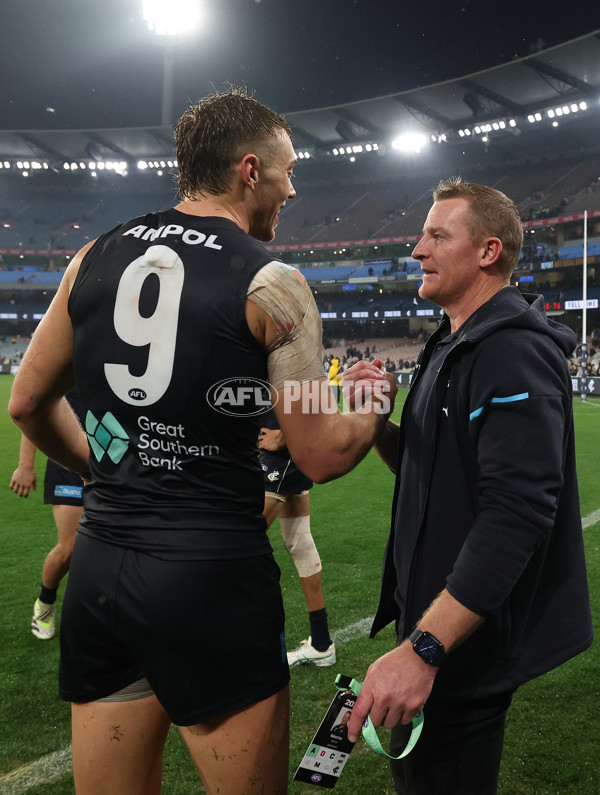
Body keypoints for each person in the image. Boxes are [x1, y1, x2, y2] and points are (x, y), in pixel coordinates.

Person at [9, 87, 395, 795]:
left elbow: (28, 400)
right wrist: (371, 399)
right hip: (209, 574)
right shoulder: (274, 281)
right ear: (249, 170)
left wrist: (105, 467)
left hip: (102, 569)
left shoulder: (93, 255)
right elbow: (318, 451)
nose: (293, 186)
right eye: (287, 169)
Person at [342, 178, 593, 795]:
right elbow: (436, 471)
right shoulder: (453, 343)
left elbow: (516, 514)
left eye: (436, 235)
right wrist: (378, 424)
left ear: (486, 252)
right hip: (438, 624)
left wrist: (424, 648)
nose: (418, 250)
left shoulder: (510, 353)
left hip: (459, 640)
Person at [258, 409, 335, 668]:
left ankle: (236, 639)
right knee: (300, 544)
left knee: (241, 541)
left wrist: (286, 437)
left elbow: (316, 399)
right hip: (281, 454)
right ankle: (321, 644)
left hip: (281, 458)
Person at [10, 389, 84, 640]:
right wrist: (25, 465)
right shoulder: (71, 357)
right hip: (69, 465)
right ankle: (45, 604)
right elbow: (35, 405)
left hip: (114, 462)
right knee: (70, 547)